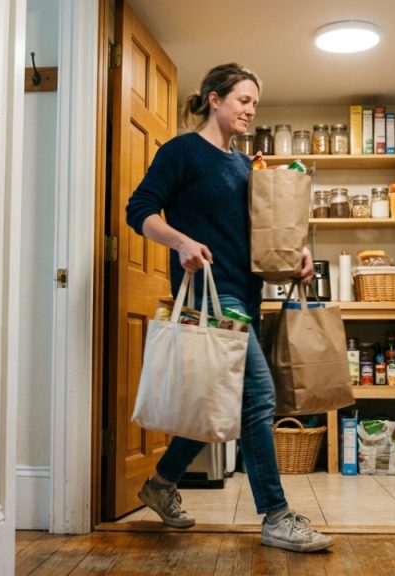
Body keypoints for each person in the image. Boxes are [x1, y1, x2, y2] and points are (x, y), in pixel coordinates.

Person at [125, 63, 333, 553]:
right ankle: (276, 515)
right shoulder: (182, 152)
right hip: (211, 294)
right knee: (258, 398)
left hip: (247, 294)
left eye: (255, 103)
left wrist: (297, 254)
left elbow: (263, 232)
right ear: (214, 99)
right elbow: (140, 210)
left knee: (218, 402)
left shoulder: (244, 166)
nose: (251, 110)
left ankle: (161, 484)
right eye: (243, 100)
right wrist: (180, 241)